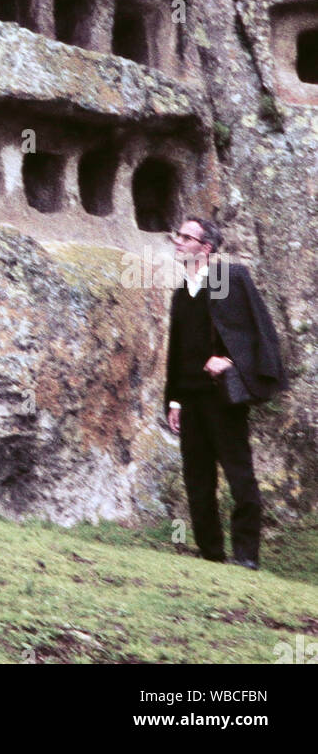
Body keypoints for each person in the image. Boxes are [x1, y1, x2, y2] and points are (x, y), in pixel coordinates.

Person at [164, 215, 287, 570]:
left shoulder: (229, 278)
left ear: (205, 248)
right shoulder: (180, 292)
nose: (177, 242)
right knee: (197, 478)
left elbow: (260, 330)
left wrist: (230, 360)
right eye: (178, 235)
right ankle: (211, 553)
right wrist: (173, 399)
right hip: (188, 398)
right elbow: (178, 349)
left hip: (223, 396)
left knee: (239, 475)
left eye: (186, 238)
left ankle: (246, 556)